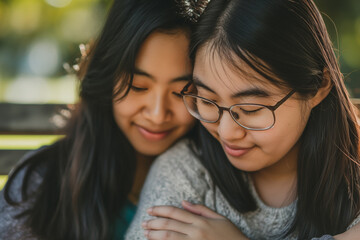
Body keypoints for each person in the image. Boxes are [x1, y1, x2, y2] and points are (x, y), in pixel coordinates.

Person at [125, 0, 360, 239]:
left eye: (250, 109)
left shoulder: (354, 176)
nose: (227, 133)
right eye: (207, 101)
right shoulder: (184, 171)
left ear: (318, 86)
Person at [0, 0, 196, 239]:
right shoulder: (43, 183)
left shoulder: (220, 186)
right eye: (137, 86)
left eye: (181, 92)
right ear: (107, 78)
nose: (157, 114)